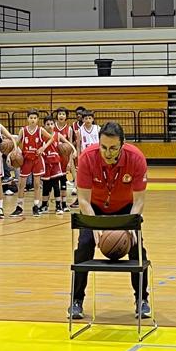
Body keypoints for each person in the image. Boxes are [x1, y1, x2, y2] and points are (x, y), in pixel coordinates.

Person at [70, 121, 150, 321]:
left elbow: (139, 201)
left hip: (125, 208)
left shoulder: (136, 158)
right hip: (94, 208)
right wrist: (94, 226)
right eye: (104, 147)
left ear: (123, 144)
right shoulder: (87, 157)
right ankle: (76, 300)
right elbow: (83, 200)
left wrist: (131, 225)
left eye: (113, 148)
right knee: (84, 246)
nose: (107, 152)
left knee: (137, 249)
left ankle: (142, 299)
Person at [15, 110, 45, 214]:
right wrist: (15, 151)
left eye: (35, 118)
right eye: (31, 118)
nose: (33, 120)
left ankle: (36, 206)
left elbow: (51, 138)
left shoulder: (40, 130)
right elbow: (16, 142)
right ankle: (19, 207)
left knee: (37, 184)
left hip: (37, 159)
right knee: (21, 184)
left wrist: (43, 147)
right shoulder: (23, 130)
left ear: (38, 119)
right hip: (26, 159)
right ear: (27, 119)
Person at [36, 115, 65, 215]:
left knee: (56, 184)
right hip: (45, 163)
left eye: (52, 124)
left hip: (55, 163)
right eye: (47, 124)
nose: (50, 126)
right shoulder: (41, 136)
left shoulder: (57, 135)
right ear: (44, 126)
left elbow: (68, 143)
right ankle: (44, 205)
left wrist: (73, 150)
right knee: (46, 185)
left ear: (54, 125)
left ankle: (58, 205)